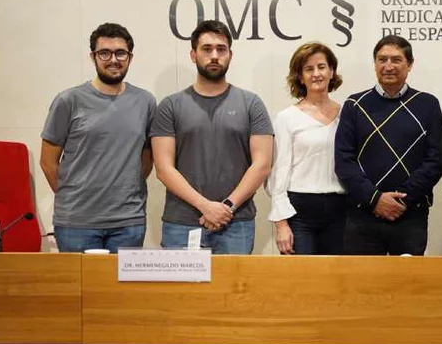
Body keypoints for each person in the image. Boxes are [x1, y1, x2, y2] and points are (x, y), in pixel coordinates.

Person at [150, 20, 273, 254]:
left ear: (230, 55)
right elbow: (164, 168)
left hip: (236, 223)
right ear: (193, 55)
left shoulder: (251, 104)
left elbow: (262, 164)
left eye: (221, 49)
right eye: (207, 49)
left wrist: (226, 207)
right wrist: (205, 206)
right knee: (182, 292)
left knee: (234, 291)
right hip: (182, 224)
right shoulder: (170, 106)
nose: (214, 55)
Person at [40, 22, 156, 252]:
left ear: (130, 57)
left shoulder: (146, 102)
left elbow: (146, 158)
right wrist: (75, 197)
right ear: (93, 57)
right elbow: (48, 162)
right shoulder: (68, 101)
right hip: (76, 223)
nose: (113, 60)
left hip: (128, 222)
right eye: (104, 53)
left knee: (122, 289)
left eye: (120, 53)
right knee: (78, 289)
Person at [334, 35, 442, 256]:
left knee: (408, 286)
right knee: (363, 287)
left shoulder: (428, 104)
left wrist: (401, 199)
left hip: (411, 214)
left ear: (410, 64)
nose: (389, 66)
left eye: (396, 60)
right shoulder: (355, 105)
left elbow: (436, 159)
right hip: (362, 213)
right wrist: (375, 199)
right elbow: (344, 161)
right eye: (382, 59)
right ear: (374, 64)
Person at [267, 42, 347, 255]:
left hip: (341, 210)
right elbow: (278, 173)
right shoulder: (287, 118)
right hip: (299, 212)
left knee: (337, 282)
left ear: (331, 71)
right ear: (300, 77)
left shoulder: (348, 115)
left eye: (321, 67)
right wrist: (281, 223)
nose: (316, 74)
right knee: (302, 282)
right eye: (308, 69)